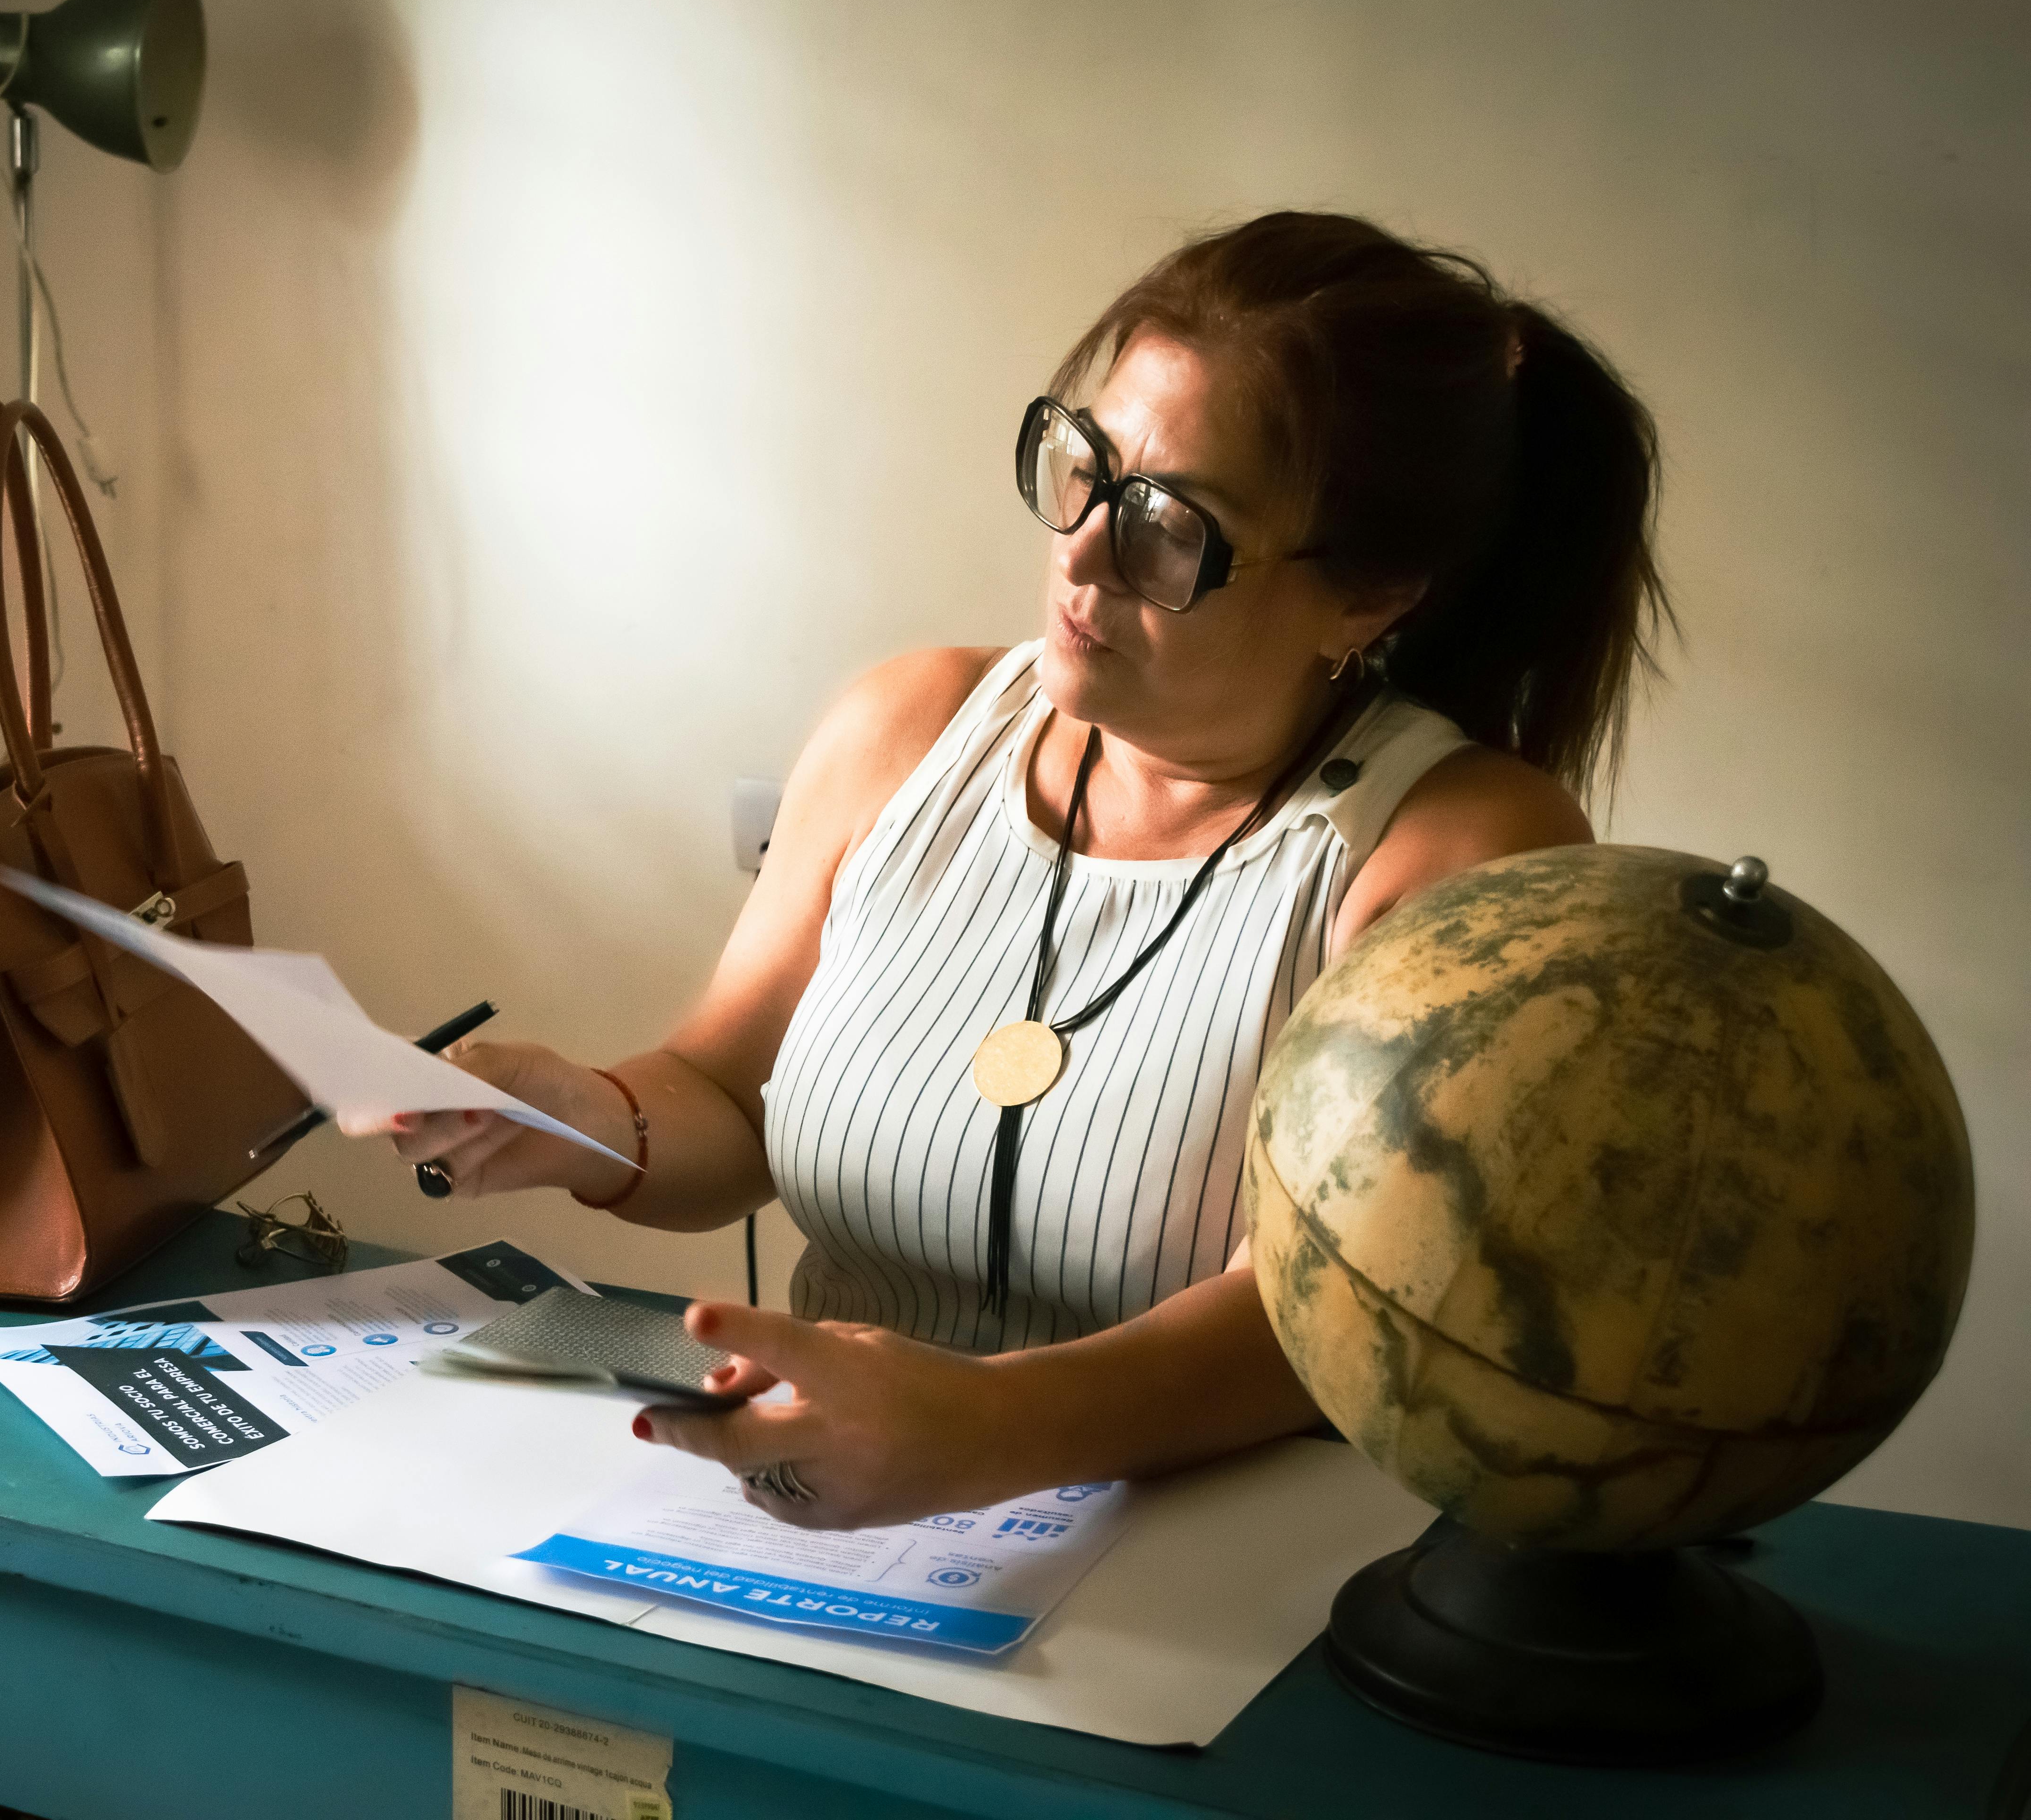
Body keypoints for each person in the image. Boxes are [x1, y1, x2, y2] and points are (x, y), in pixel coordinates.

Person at [349, 211, 1668, 1530]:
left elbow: (1336, 1311)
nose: (1083, 552)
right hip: (837, 1512)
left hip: (1206, 1576)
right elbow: (724, 1099)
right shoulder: (907, 726)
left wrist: (988, 1431)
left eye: (1174, 528)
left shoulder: (1460, 849)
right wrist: (575, 1113)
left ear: (1371, 599)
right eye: (1083, 468)